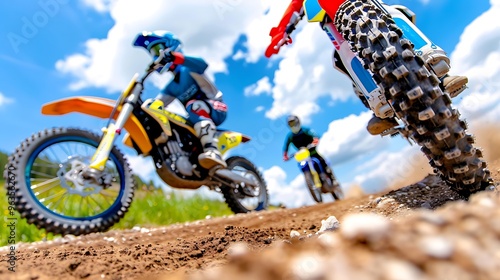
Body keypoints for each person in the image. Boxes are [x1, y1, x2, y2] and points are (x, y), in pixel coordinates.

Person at [265, 0, 468, 135]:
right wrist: (280, 31)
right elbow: (295, 7)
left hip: (369, 7)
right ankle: (374, 102)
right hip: (336, 24)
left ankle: (438, 72)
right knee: (339, 59)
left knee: (396, 12)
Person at [133, 30, 227, 169]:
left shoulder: (189, 69)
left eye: (158, 50)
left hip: (216, 108)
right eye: (153, 54)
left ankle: (212, 150)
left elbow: (201, 64)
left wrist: (174, 57)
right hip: (195, 117)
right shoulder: (171, 87)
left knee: (193, 105)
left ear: (170, 46)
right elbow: (159, 103)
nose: (155, 56)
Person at [283, 115, 336, 182]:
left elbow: (315, 135)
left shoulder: (305, 130)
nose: (292, 125)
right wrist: (285, 155)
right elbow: (286, 146)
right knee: (302, 165)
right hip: (303, 156)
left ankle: (332, 179)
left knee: (322, 162)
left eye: (293, 122)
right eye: (290, 124)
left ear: (297, 122)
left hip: (313, 152)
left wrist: (315, 141)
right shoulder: (290, 136)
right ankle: (311, 180)